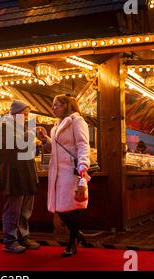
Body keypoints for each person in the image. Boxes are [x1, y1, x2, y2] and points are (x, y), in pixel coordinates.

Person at [37, 95, 90, 257]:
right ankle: (78, 235)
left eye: (56, 105)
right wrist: (45, 140)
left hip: (72, 171)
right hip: (58, 172)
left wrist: (83, 167)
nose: (53, 108)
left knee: (72, 207)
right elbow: (56, 148)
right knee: (60, 208)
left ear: (66, 105)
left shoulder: (76, 121)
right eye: (53, 105)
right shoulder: (57, 125)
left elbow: (82, 145)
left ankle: (72, 242)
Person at [0, 100, 41, 253]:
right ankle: (10, 240)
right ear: (15, 114)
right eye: (25, 114)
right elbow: (14, 147)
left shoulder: (21, 128)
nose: (27, 117)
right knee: (13, 209)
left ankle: (23, 237)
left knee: (25, 210)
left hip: (26, 172)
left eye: (28, 114)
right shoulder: (4, 127)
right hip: (14, 174)